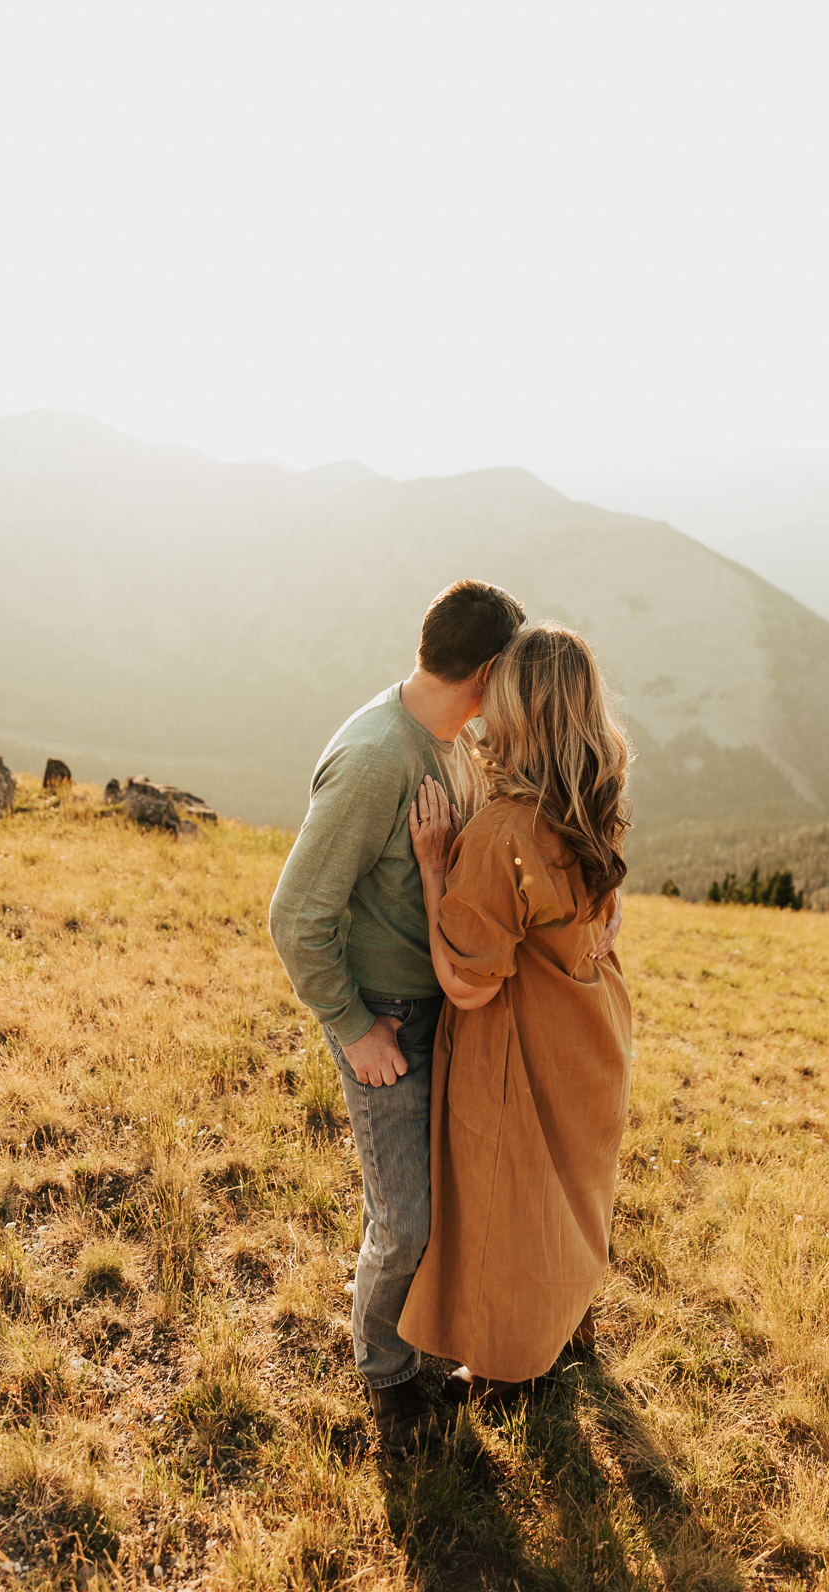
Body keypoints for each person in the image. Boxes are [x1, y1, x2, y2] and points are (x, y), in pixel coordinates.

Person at [270, 580, 540, 1453]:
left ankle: (437, 1336)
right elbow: (295, 916)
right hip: (386, 1019)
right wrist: (354, 1027)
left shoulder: (450, 741)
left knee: (435, 1202)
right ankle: (386, 1376)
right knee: (406, 1219)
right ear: (488, 670)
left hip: (442, 1013)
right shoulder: (379, 758)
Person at [398, 622, 634, 1405]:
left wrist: (435, 866)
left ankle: (505, 1366)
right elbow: (607, 914)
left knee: (513, 1208)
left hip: (524, 1048)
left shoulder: (502, 831)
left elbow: (467, 981)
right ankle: (569, 1322)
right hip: (592, 1032)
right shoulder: (589, 802)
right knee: (574, 1194)